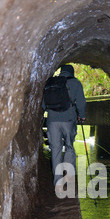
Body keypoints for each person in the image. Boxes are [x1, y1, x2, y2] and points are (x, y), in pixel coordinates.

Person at [42, 64, 86, 194]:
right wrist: (82, 116)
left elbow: (44, 104)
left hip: (52, 121)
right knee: (69, 146)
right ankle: (69, 175)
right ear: (71, 73)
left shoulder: (51, 82)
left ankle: (58, 184)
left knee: (55, 150)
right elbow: (82, 102)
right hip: (68, 120)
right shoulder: (75, 83)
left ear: (61, 72)